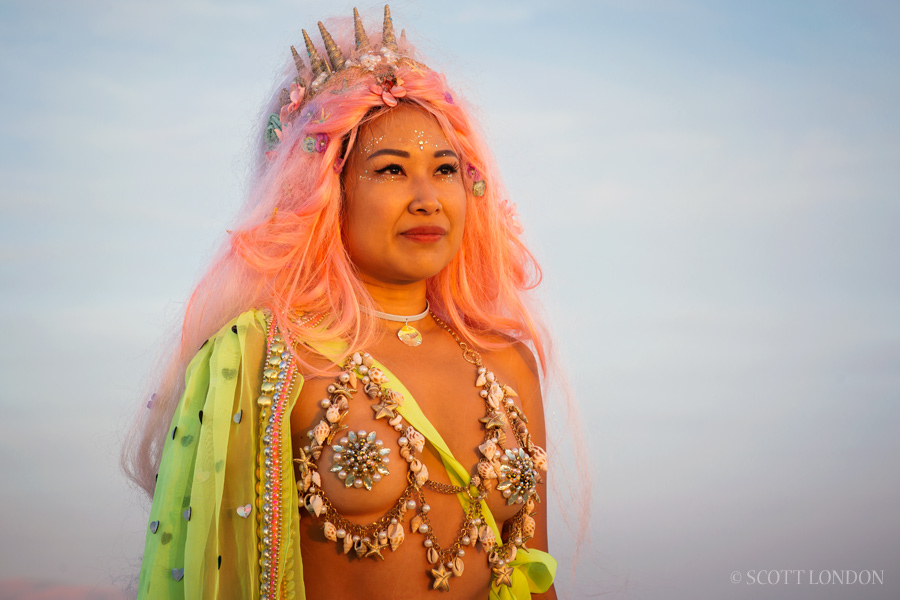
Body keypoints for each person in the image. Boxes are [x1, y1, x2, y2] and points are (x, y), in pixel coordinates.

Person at [123, 6, 559, 599]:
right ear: (326, 190)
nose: (428, 198)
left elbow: (535, 577)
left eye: (445, 169)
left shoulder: (509, 363)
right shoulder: (265, 357)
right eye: (391, 170)